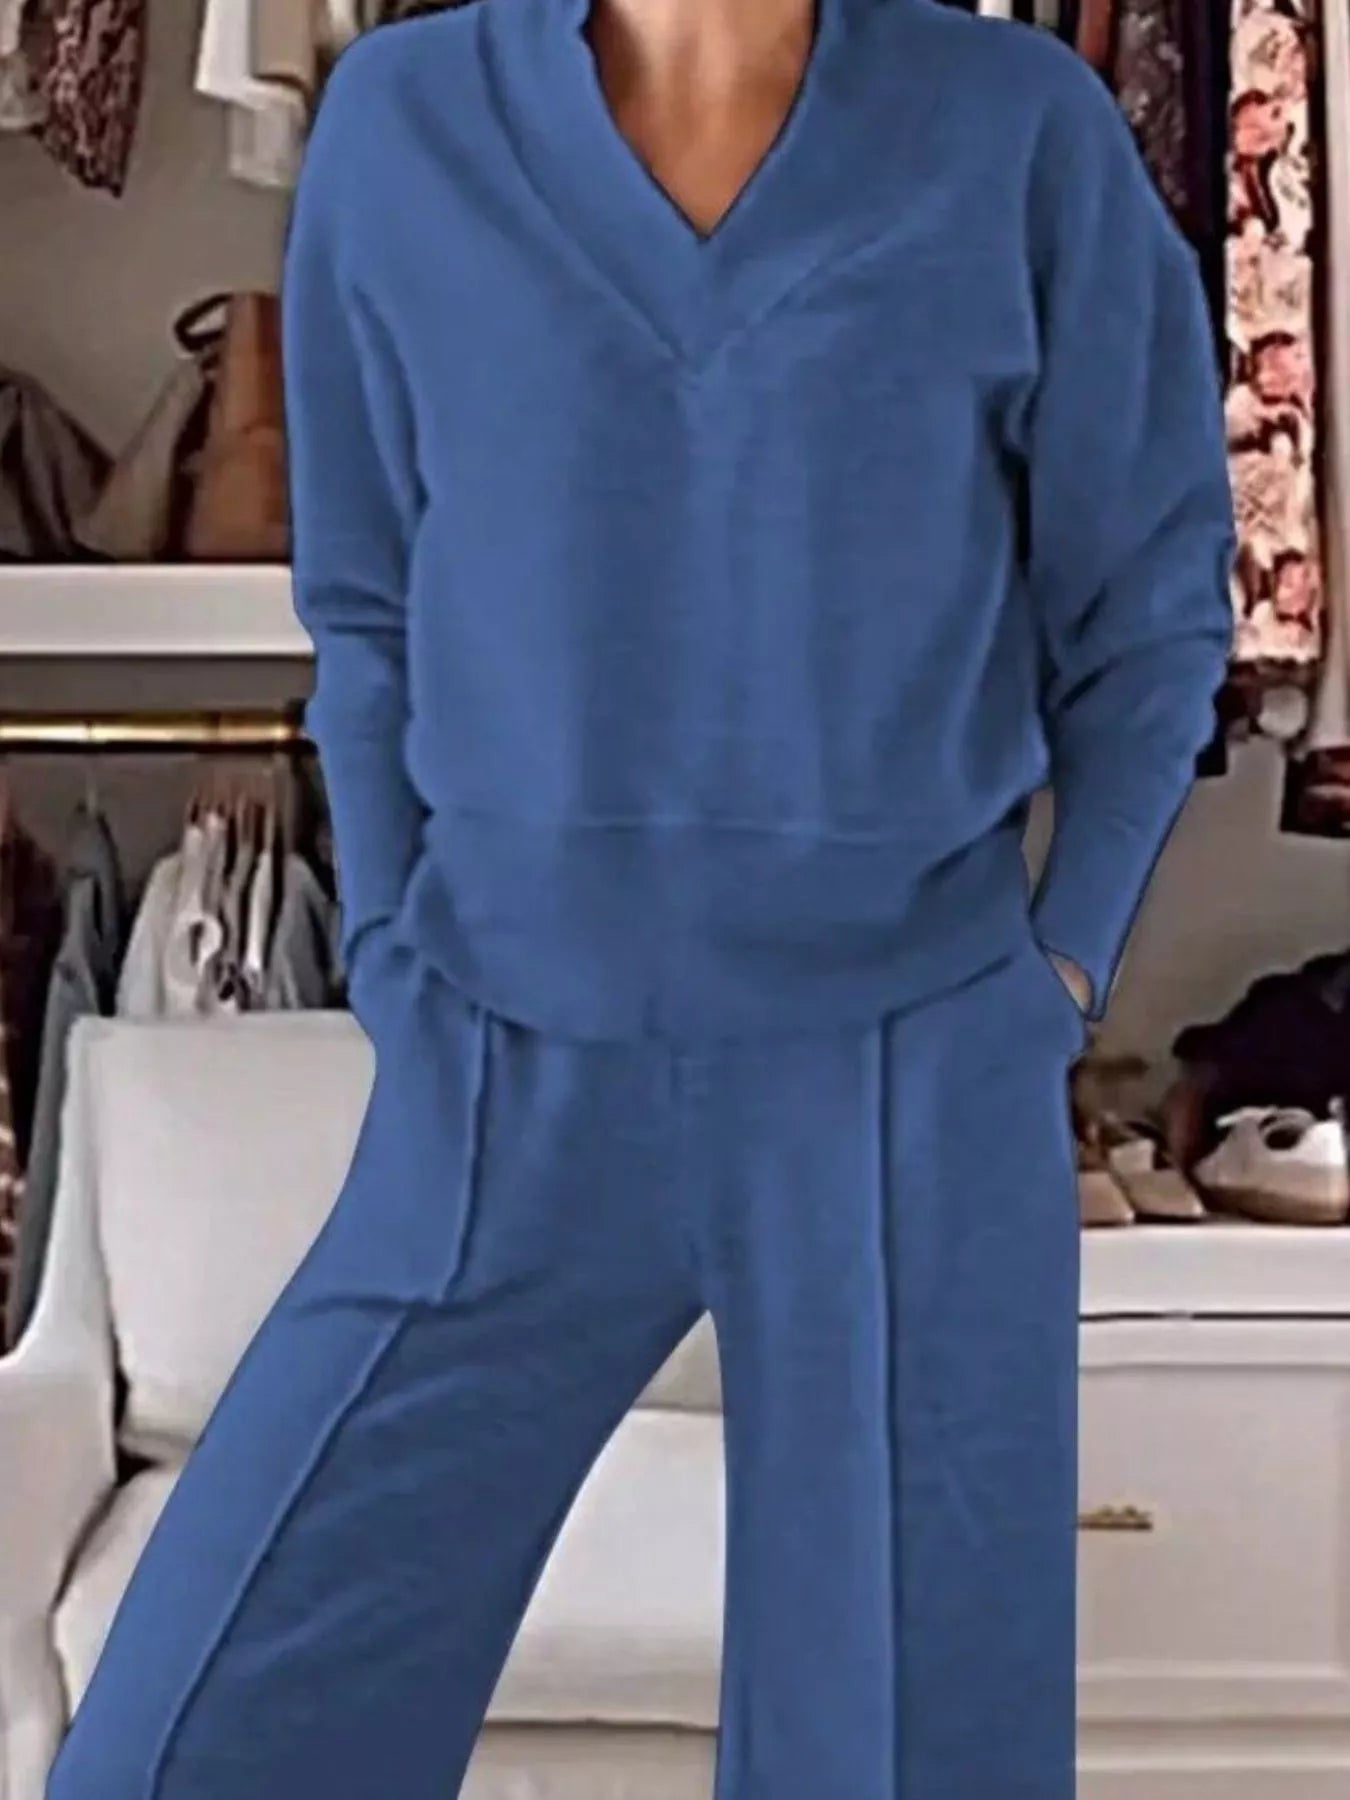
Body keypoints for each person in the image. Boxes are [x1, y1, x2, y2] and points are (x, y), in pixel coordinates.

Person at [47, 1, 1235, 1796]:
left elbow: (1147, 618)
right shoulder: (403, 124)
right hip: (505, 1059)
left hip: (907, 1068)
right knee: (186, 1745)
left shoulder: (1020, 134)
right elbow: (364, 612)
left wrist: (1054, 975)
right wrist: (396, 957)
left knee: (907, 1754)